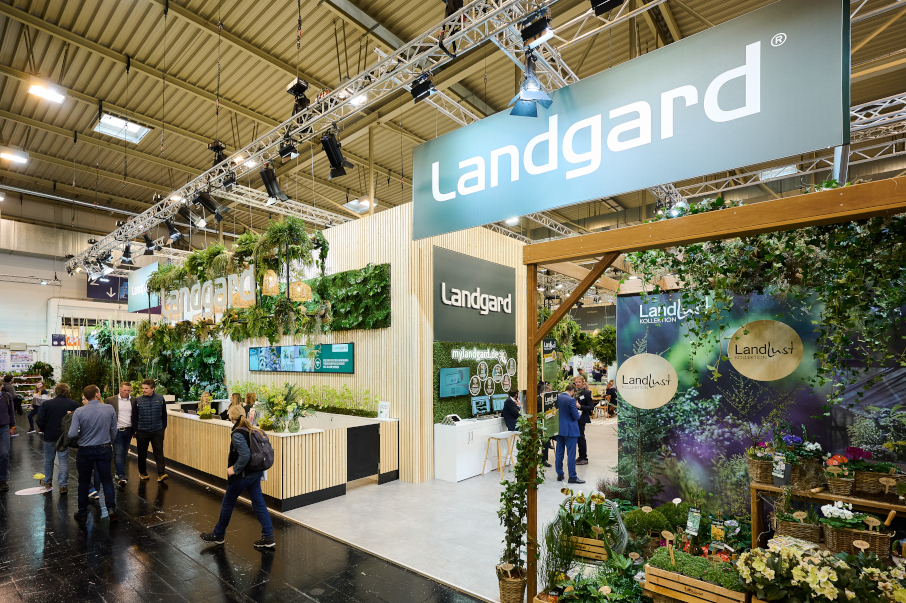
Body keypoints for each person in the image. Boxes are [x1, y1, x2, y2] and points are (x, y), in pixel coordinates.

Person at [201, 405, 275, 549]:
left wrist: (234, 469)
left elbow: (245, 455)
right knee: (259, 504)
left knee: (228, 503)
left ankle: (218, 535)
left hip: (242, 476)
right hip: (255, 473)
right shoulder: (252, 429)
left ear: (231, 417)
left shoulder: (237, 433)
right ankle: (268, 537)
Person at [69, 385, 118, 521]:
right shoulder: (109, 408)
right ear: (96, 395)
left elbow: (72, 433)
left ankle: (82, 512)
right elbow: (114, 430)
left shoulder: (79, 411)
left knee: (83, 481)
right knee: (107, 480)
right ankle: (111, 509)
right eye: (99, 392)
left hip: (85, 450)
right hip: (104, 447)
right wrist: (110, 441)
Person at [36, 383, 79, 493]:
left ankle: (47, 481)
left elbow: (39, 420)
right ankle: (63, 486)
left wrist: (45, 429)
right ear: (68, 392)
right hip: (65, 437)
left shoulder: (47, 404)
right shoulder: (73, 404)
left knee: (48, 460)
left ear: (55, 392)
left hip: (49, 436)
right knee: (63, 461)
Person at [132, 379, 168, 483]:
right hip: (142, 431)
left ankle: (161, 473)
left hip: (157, 430)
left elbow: (164, 414)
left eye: (146, 388)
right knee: (142, 453)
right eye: (143, 388)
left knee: (159, 452)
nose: (144, 390)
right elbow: (134, 416)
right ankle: (142, 472)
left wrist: (163, 427)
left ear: (152, 389)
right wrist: (135, 430)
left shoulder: (160, 399)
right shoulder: (138, 400)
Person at [104, 382, 135, 487]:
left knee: (124, 453)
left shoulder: (133, 400)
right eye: (125, 390)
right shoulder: (111, 400)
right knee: (118, 452)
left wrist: (135, 430)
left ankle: (118, 472)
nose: (127, 392)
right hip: (117, 430)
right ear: (120, 389)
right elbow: (107, 415)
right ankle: (121, 475)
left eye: (128, 390)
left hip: (129, 430)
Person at [554, 384, 584, 484]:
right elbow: (575, 416)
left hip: (559, 429)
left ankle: (559, 474)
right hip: (570, 430)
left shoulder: (557, 398)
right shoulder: (571, 400)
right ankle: (572, 476)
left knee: (559, 452)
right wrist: (579, 413)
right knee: (571, 454)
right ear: (572, 391)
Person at [574, 376, 595, 466]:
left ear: (583, 382)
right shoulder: (574, 392)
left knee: (581, 438)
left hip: (582, 419)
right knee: (577, 438)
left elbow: (591, 407)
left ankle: (584, 458)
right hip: (575, 418)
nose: (578, 384)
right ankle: (581, 456)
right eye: (576, 382)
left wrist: (580, 407)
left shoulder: (586, 393)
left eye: (579, 382)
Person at [0, 382, 15, 492]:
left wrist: (12, 426)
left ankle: (2, 479)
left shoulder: (7, 396)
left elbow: (11, 412)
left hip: (4, 428)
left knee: (4, 453)